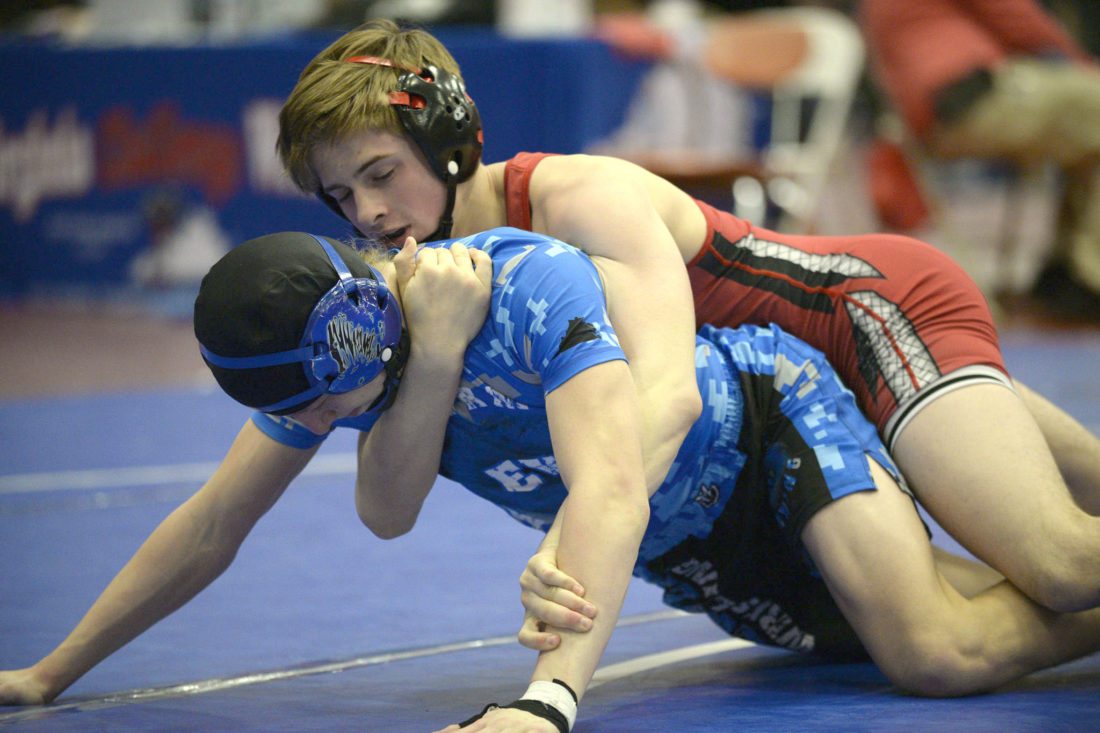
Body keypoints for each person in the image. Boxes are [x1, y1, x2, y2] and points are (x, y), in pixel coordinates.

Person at [275, 17, 1100, 652]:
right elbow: (368, 496)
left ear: (449, 142)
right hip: (810, 377)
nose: (368, 213)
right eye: (341, 197)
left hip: (869, 316)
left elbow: (667, 396)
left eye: (380, 175)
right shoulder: (433, 281)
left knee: (1061, 565)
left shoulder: (575, 199)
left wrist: (570, 544)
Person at [859, 0, 1100, 317]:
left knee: (1087, 131)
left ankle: (1068, 278)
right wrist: (1079, 62)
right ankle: (1084, 278)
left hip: (936, 112)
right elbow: (1015, 18)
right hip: (968, 97)